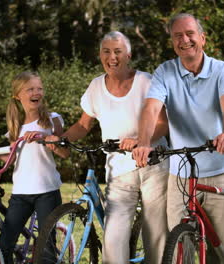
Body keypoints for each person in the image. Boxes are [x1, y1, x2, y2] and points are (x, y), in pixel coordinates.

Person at [46, 31, 169, 264]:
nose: (112, 57)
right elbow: (83, 125)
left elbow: (163, 124)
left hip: (153, 165)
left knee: (155, 233)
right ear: (100, 55)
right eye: (106, 51)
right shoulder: (96, 87)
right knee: (113, 237)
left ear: (128, 55)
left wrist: (140, 140)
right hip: (119, 170)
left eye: (117, 51)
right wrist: (61, 138)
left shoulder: (146, 81)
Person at [132, 13, 224, 263]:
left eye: (190, 34)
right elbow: (151, 109)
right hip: (180, 171)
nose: (185, 40)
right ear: (172, 42)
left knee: (218, 249)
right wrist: (144, 141)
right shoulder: (165, 71)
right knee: (179, 243)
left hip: (220, 168)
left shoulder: (222, 69)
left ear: (202, 38)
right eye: (177, 35)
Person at [0, 71, 67, 264]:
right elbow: (10, 158)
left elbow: (65, 152)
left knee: (46, 250)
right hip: (21, 193)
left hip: (47, 191)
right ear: (18, 95)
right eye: (30, 89)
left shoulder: (52, 119)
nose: (36, 92)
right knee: (4, 245)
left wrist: (45, 138)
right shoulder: (16, 126)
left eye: (39, 88)